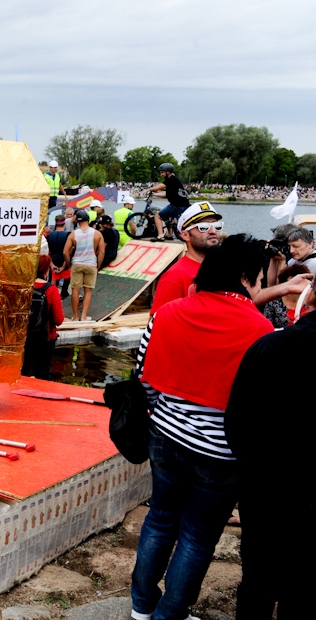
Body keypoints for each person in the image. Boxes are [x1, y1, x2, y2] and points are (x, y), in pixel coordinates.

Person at [132, 234, 273, 620]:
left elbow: (142, 379)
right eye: (260, 278)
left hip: (164, 436)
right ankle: (169, 614)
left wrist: (168, 414)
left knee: (159, 518)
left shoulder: (168, 313)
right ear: (246, 277)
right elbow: (259, 408)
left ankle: (141, 607)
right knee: (196, 536)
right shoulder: (261, 332)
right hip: (221, 455)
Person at [225, 281, 315, 620]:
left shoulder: (269, 346)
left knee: (257, 580)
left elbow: (236, 421)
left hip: (265, 487)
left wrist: (252, 467)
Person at [150, 202, 222, 314]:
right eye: (203, 227)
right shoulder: (174, 278)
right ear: (185, 235)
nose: (213, 231)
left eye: (217, 226)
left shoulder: (223, 269)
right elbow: (158, 324)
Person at [21, 255, 64, 379]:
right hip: (45, 337)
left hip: (24, 336)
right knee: (43, 371)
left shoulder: (23, 288)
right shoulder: (51, 290)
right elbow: (58, 320)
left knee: (22, 370)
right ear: (46, 270)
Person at [63, 209, 105, 321]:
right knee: (88, 291)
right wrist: (98, 265)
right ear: (88, 219)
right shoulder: (97, 234)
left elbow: (65, 252)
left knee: (75, 290)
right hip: (91, 263)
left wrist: (68, 264)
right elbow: (101, 252)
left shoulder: (73, 234)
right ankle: (84, 316)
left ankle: (75, 317)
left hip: (76, 263)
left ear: (77, 221)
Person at [146, 163, 191, 241]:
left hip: (177, 205)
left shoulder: (171, 179)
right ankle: (169, 234)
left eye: (162, 172)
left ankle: (160, 236)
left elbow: (160, 186)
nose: (161, 174)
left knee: (157, 216)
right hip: (183, 205)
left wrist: (149, 189)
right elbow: (167, 195)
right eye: (160, 172)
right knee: (167, 217)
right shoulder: (174, 180)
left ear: (168, 172)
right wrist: (155, 194)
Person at [48, 214, 72, 298]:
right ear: (64, 223)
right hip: (64, 261)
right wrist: (64, 266)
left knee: (53, 285)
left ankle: (53, 299)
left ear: (55, 223)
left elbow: (48, 252)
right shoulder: (68, 234)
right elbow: (68, 252)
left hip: (53, 260)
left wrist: (52, 265)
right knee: (65, 288)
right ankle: (64, 295)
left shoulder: (50, 235)